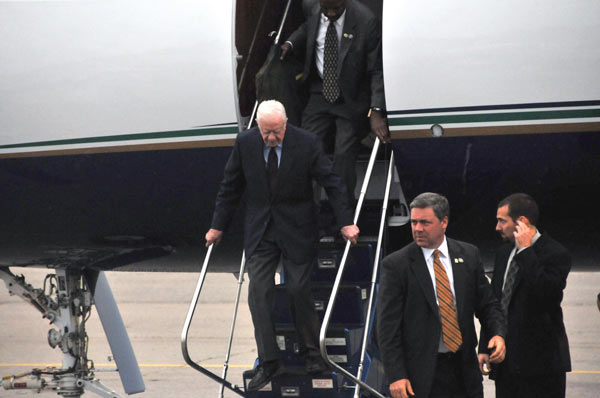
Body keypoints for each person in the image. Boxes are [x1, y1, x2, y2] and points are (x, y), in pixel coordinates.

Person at [205, 100, 359, 392]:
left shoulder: (306, 143)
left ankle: (313, 354)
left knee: (298, 289)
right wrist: (217, 226)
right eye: (266, 132)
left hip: (297, 227)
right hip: (261, 229)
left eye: (276, 131)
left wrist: (345, 222)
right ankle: (270, 360)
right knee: (258, 292)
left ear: (285, 124)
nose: (271, 138)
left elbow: (333, 183)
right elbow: (230, 185)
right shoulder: (245, 142)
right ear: (258, 127)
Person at [376, 192, 506, 398]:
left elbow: (488, 305)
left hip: (463, 371)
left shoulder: (468, 255)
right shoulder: (397, 265)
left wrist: (498, 334)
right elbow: (387, 328)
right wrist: (396, 375)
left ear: (444, 222)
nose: (418, 228)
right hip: (421, 377)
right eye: (414, 222)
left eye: (425, 223)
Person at [280, 0, 389, 206]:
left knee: (343, 156)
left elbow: (376, 69)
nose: (330, 14)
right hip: (319, 92)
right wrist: (291, 42)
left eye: (336, 9)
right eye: (325, 9)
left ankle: (343, 216)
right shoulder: (312, 7)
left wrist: (376, 111)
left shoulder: (366, 21)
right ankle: (308, 215)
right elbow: (307, 27)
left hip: (351, 97)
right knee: (306, 150)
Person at [478, 193, 571, 398]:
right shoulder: (504, 252)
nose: (497, 227)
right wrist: (485, 344)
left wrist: (526, 251)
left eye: (502, 221)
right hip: (506, 364)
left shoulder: (555, 253)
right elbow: (495, 302)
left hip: (541, 366)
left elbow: (546, 295)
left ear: (522, 222)